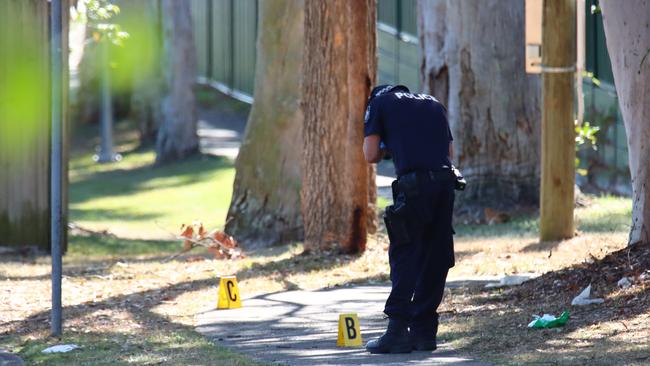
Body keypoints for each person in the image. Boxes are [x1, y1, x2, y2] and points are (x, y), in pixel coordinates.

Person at [363, 84, 456, 354]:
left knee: (405, 251)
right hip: (445, 183)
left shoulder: (378, 102)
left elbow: (370, 154)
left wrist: (387, 147)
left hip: (414, 186)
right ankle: (424, 332)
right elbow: (448, 154)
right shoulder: (433, 102)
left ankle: (396, 332)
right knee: (436, 253)